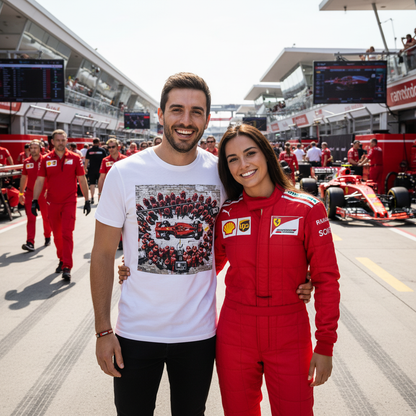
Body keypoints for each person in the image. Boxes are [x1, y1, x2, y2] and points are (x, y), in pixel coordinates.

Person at [91, 72, 313, 416]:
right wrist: (103, 329)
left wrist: (303, 272)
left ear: (207, 119)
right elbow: (103, 254)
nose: (186, 120)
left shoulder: (223, 174)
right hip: (134, 333)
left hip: (199, 335)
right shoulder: (124, 173)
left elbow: (264, 221)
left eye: (197, 112)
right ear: (161, 114)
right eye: (177, 109)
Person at [214, 124, 340, 416]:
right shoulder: (227, 213)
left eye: (250, 153)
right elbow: (205, 268)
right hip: (235, 333)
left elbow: (327, 280)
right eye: (233, 159)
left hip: (289, 333)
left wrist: (325, 344)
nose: (243, 164)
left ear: (266, 154)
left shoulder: (308, 209)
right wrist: (141, 267)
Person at [32, 129, 90, 282]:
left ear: (66, 141)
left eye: (63, 140)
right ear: (52, 142)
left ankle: (67, 267)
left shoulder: (75, 158)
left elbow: (82, 179)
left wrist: (87, 199)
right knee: (56, 235)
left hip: (69, 201)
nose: (61, 143)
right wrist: (34, 200)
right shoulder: (46, 159)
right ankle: (62, 259)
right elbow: (39, 181)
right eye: (58, 140)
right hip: (52, 202)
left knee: (66, 232)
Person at [18, 140, 52, 251]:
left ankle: (47, 235)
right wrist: (21, 193)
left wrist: (50, 190)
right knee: (31, 218)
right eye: (31, 148)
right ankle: (30, 242)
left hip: (44, 194)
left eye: (35, 148)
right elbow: (24, 178)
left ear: (41, 149)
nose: (33, 150)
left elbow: (52, 177)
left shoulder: (46, 160)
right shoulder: (27, 162)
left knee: (46, 218)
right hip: (30, 194)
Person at [85, 138, 107, 204]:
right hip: (101, 170)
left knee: (92, 184)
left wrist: (85, 168)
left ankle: (92, 197)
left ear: (93, 142)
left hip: (91, 169)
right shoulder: (102, 150)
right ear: (99, 142)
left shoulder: (89, 150)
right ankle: (99, 197)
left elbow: (86, 161)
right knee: (100, 183)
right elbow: (105, 160)